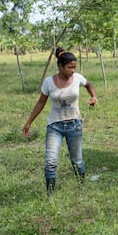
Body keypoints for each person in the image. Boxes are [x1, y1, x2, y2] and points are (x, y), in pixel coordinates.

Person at [23, 47, 97, 196]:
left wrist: (93, 97)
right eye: (70, 67)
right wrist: (29, 122)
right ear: (60, 66)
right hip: (54, 126)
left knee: (77, 160)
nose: (72, 70)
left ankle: (82, 188)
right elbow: (41, 102)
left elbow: (89, 85)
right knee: (50, 162)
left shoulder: (77, 78)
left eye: (75, 67)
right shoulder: (48, 82)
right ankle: (50, 195)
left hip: (74, 125)